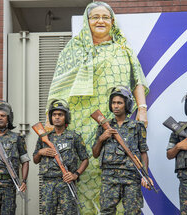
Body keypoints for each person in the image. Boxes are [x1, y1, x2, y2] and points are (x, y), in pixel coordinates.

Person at [47, 2, 149, 213]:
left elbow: (138, 79)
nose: (101, 21)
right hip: (83, 120)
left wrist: (142, 109)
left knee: (120, 171)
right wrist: (51, 119)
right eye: (95, 17)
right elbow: (59, 85)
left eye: (105, 17)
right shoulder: (74, 48)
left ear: (112, 22)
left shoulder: (123, 48)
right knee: (86, 167)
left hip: (117, 121)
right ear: (87, 21)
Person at [92, 86, 151, 215]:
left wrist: (145, 175)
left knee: (133, 212)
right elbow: (95, 154)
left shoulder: (137, 126)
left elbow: (143, 153)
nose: (116, 106)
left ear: (126, 104)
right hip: (109, 177)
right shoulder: (103, 126)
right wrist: (102, 138)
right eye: (113, 103)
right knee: (106, 211)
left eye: (119, 103)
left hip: (131, 177)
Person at [33, 99, 89, 215]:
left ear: (66, 117)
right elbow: (35, 160)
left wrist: (75, 174)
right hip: (48, 184)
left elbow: (85, 159)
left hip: (66, 183)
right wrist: (40, 152)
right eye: (54, 115)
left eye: (60, 115)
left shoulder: (74, 137)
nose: (57, 117)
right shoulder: (44, 137)